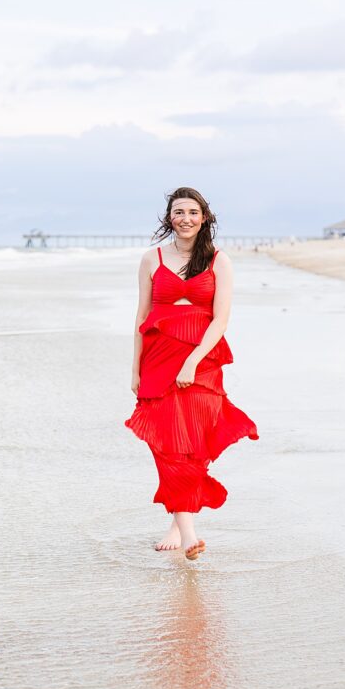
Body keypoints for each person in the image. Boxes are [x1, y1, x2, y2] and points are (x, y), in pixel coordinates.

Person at [125, 187, 259, 561]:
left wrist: (192, 362)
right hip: (158, 359)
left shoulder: (219, 261)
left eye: (193, 212)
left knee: (195, 440)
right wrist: (134, 366)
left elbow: (221, 319)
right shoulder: (151, 259)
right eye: (178, 211)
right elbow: (141, 316)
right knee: (166, 442)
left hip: (202, 360)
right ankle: (188, 534)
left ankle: (178, 519)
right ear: (170, 217)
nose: (185, 218)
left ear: (205, 218)